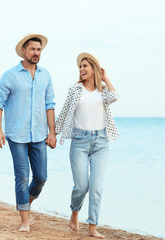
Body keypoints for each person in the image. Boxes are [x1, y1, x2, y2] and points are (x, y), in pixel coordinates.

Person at [0, 33, 57, 232]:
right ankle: (25, 221)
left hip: (39, 134)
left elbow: (50, 105)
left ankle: (25, 204)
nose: (36, 53)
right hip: (16, 135)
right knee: (21, 176)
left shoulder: (45, 75)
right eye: (32, 49)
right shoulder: (10, 75)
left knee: (41, 177)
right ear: (23, 51)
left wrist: (52, 132)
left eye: (38, 50)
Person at [56, 53, 119, 239]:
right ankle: (75, 211)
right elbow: (65, 111)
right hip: (79, 142)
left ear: (94, 69)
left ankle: (92, 226)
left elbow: (115, 96)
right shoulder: (75, 89)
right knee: (81, 187)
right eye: (80, 67)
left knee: (97, 186)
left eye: (85, 66)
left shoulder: (103, 89)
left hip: (101, 142)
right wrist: (53, 134)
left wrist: (105, 77)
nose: (82, 70)